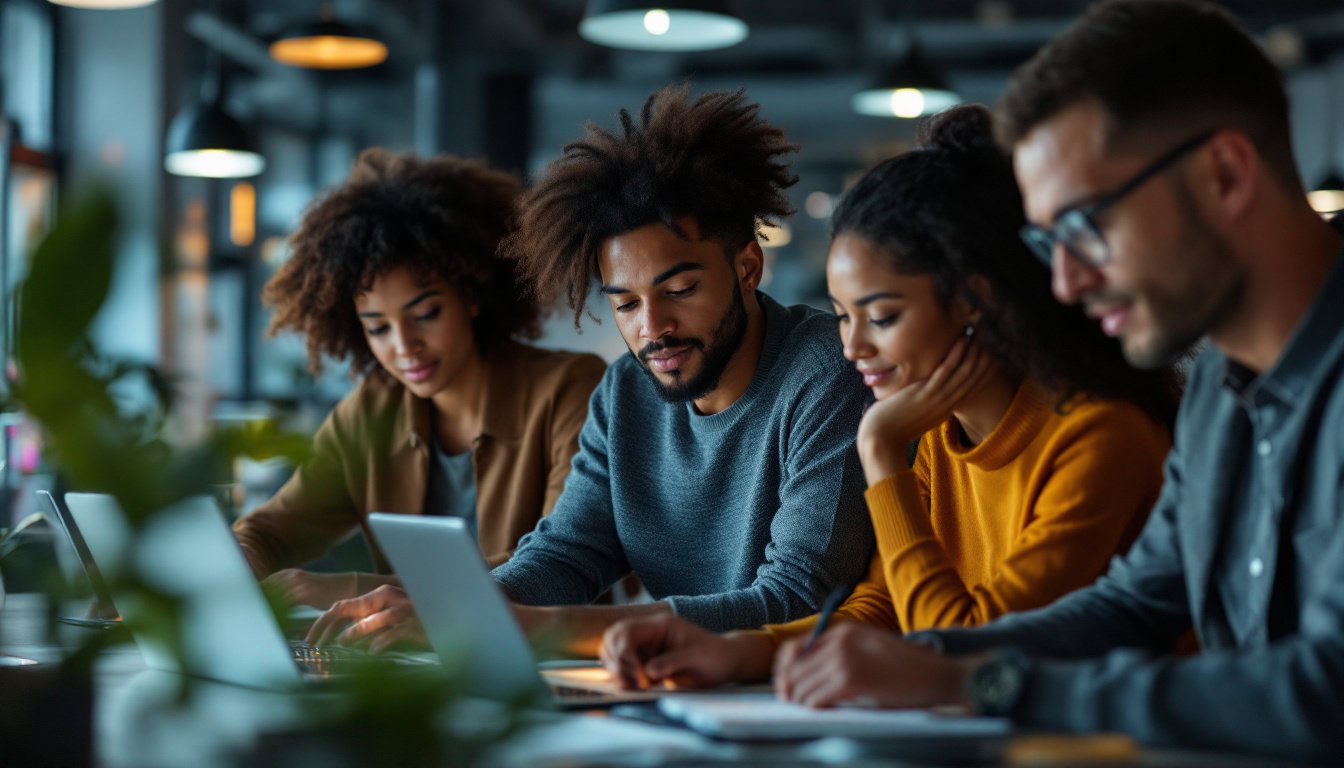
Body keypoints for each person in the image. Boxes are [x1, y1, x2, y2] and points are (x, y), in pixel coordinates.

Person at [700, 1, 1344, 761]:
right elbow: (1131, 603)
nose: (1063, 284)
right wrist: (916, 663)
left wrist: (984, 683)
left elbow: (1323, 692)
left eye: (1084, 226)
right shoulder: (1218, 393)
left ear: (1223, 174)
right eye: (1049, 241)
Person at [597, 105, 1179, 690]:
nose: (852, 346)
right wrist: (739, 653)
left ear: (974, 300)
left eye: (882, 316)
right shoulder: (940, 439)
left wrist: (878, 448)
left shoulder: (1097, 437)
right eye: (844, 316)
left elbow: (955, 645)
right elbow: (879, 611)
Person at [306, 84, 875, 655]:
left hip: (799, 695)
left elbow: (798, 598)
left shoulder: (828, 373)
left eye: (680, 289)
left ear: (748, 267)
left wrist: (521, 627)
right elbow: (567, 553)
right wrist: (459, 608)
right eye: (625, 303)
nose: (652, 327)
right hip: (676, 688)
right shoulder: (625, 392)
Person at [232, 149, 606, 614]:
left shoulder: (572, 389)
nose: (404, 345)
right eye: (378, 327)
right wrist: (240, 557)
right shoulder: (370, 412)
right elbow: (275, 529)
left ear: (471, 294)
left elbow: (555, 566)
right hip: (413, 661)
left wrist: (347, 588)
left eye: (426, 314)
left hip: (552, 658)